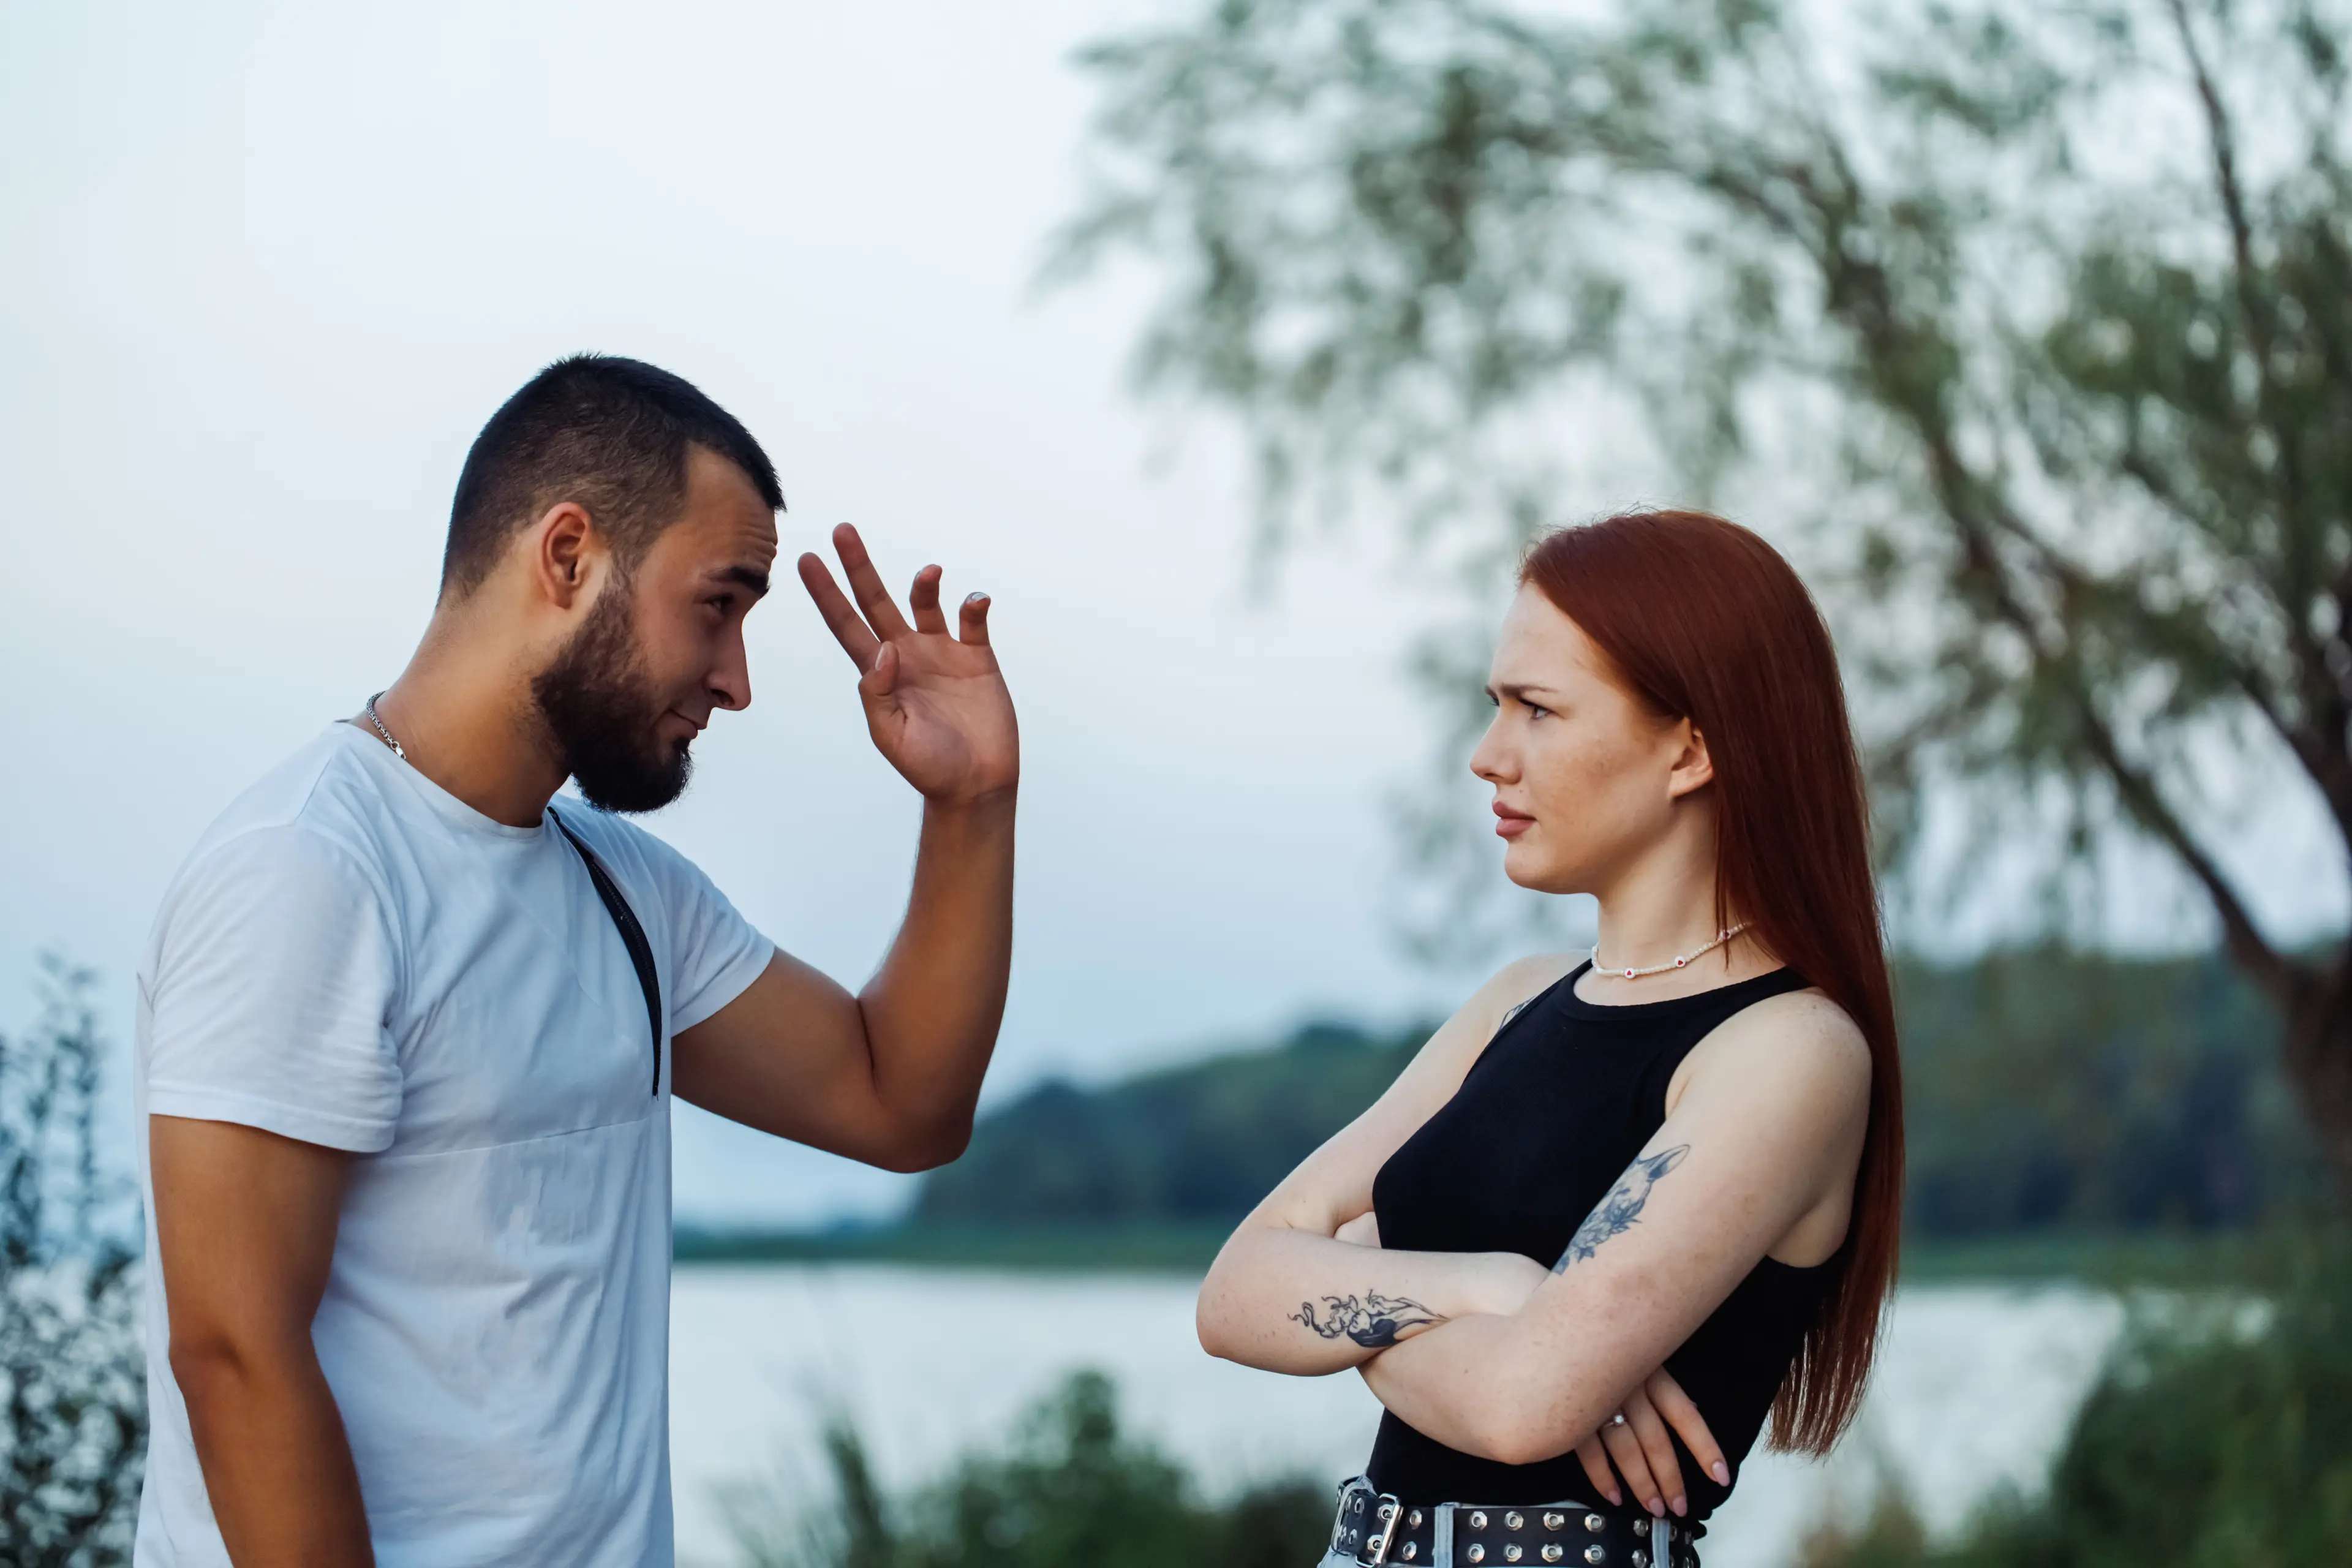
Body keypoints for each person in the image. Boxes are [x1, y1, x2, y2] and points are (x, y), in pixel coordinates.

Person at [133, 354, 1020, 1567]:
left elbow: (900, 1100)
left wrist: (970, 804)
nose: (737, 681)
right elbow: (234, 1353)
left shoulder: (623, 888)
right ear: (568, 557)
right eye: (719, 603)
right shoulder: (311, 870)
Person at [1197, 511, 1902, 1568]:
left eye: (1537, 709)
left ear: (1691, 748)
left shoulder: (1787, 1050)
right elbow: (1234, 1293)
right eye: (1496, 707)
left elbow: (1526, 1402)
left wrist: (1354, 1266)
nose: (1488, 758)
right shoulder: (1516, 1004)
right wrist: (1496, 1289)